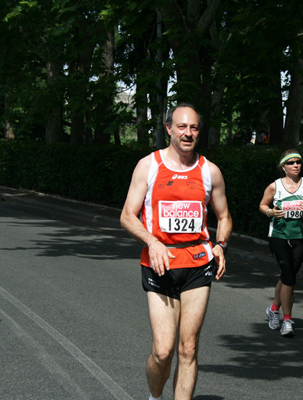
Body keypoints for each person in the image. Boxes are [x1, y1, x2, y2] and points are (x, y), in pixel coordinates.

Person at [120, 103, 232, 400]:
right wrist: (152, 241)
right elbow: (127, 216)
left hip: (197, 261)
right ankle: (155, 397)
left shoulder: (210, 171)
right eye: (182, 127)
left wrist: (220, 246)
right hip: (159, 262)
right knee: (163, 350)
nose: (188, 133)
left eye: (194, 128)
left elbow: (224, 217)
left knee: (189, 347)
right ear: (168, 128)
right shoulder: (149, 166)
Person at [259, 149, 303, 337]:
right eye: (291, 163)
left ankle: (273, 308)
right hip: (279, 236)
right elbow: (262, 205)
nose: (295, 165)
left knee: (288, 276)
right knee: (289, 278)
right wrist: (271, 212)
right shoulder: (274, 186)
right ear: (283, 166)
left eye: (298, 162)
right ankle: (287, 320)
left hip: (300, 237)